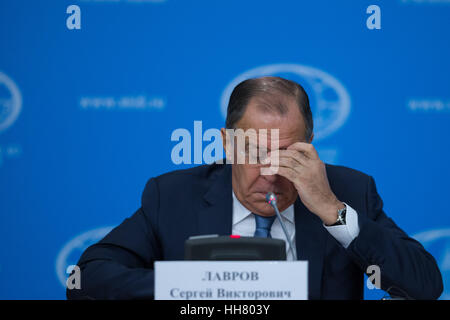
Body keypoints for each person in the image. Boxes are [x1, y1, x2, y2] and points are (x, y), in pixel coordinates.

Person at [67, 76, 443, 300]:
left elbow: (426, 286)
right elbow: (84, 280)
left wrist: (333, 211)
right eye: (254, 151)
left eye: (288, 154)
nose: (271, 172)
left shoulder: (348, 190)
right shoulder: (173, 196)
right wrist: (199, 285)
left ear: (311, 144)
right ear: (227, 144)